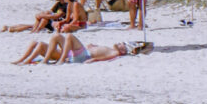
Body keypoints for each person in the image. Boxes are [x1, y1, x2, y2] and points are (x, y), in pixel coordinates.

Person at [11, 33, 149, 65]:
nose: (119, 43)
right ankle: (23, 60)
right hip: (74, 53)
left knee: (69, 36)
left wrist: (93, 60)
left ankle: (50, 61)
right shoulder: (111, 49)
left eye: (122, 44)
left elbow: (102, 58)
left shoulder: (115, 53)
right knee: (39, 43)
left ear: (124, 50)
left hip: (82, 55)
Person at [1, 0, 69, 33]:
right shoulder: (58, 4)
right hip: (50, 21)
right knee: (37, 20)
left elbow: (57, 16)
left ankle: (35, 30)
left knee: (42, 19)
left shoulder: (66, 5)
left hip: (55, 23)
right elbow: (51, 11)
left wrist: (42, 16)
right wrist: (43, 14)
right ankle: (10, 28)